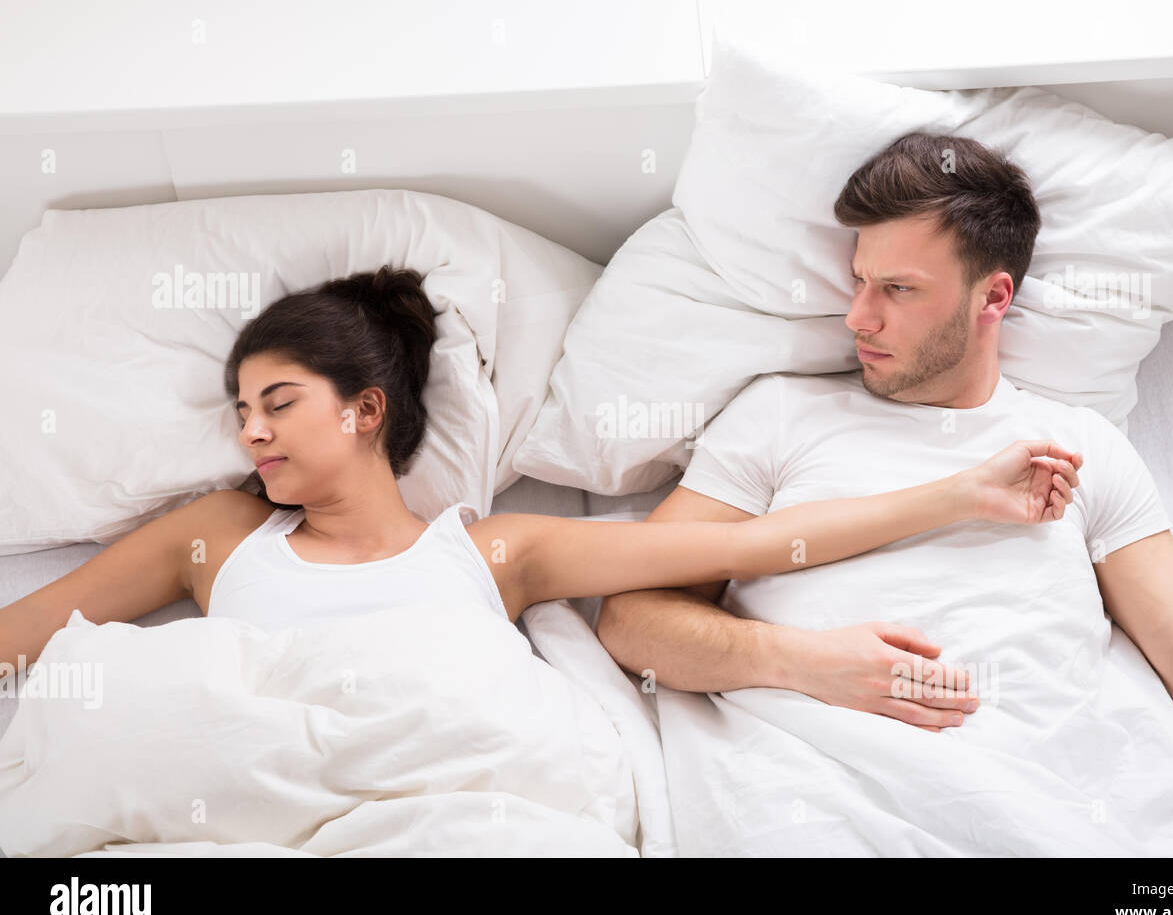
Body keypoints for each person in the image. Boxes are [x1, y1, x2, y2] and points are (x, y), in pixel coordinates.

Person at [595, 132, 1173, 856]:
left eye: (898, 289)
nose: (858, 318)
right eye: (860, 279)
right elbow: (633, 617)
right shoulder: (779, 416)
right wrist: (798, 661)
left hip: (1069, 816)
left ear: (992, 296)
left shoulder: (1077, 443)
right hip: (839, 808)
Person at [0, 265, 1081, 694]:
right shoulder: (214, 533)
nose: (250, 435)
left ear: (364, 407)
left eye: (276, 402)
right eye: (239, 413)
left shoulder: (496, 549)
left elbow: (749, 544)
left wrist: (955, 494)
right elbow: (19, 638)